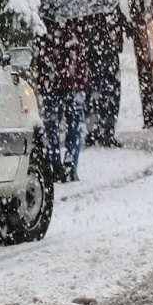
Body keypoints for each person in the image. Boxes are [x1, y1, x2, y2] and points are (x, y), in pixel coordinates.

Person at [36, 16, 91, 182]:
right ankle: (69, 165)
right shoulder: (78, 15)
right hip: (72, 79)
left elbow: (41, 45)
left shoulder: (43, 16)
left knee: (51, 125)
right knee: (73, 124)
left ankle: (55, 164)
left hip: (52, 80)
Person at [85, 9, 126, 147]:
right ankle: (101, 131)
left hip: (100, 53)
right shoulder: (105, 4)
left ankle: (101, 131)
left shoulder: (103, 5)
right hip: (99, 53)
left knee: (102, 94)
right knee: (105, 94)